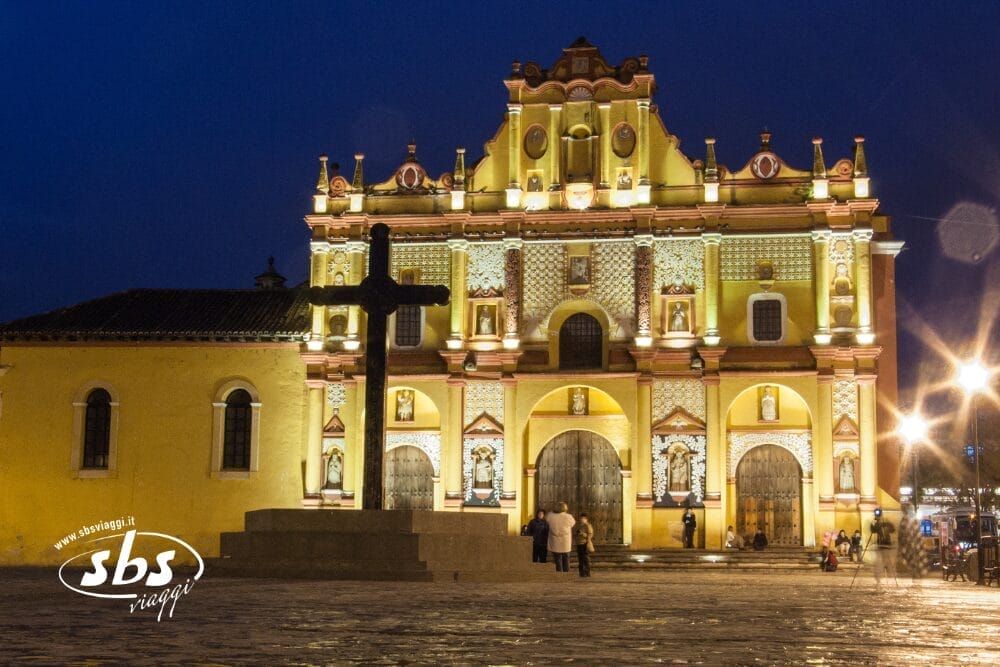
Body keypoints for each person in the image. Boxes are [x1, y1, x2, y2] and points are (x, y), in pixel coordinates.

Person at [546, 502, 576, 573]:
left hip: (555, 541)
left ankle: (559, 574)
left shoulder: (550, 516)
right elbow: (573, 523)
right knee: (566, 558)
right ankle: (566, 573)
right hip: (565, 541)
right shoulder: (568, 516)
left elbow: (547, 521)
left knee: (557, 558)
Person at [870, 509, 896, 584]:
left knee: (886, 561)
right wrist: (873, 523)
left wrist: (886, 524)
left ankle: (889, 574)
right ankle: (878, 579)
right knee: (878, 562)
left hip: (886, 545)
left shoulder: (886, 522)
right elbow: (873, 531)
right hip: (880, 545)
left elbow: (892, 529)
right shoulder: (876, 523)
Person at [574, 513, 595, 577]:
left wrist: (582, 534)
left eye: (583, 518)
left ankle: (587, 572)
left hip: (584, 543)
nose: (581, 519)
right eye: (581, 518)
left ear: (586, 519)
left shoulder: (587, 525)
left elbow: (590, 535)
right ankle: (581, 573)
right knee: (580, 558)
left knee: (585, 558)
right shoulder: (579, 525)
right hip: (579, 543)